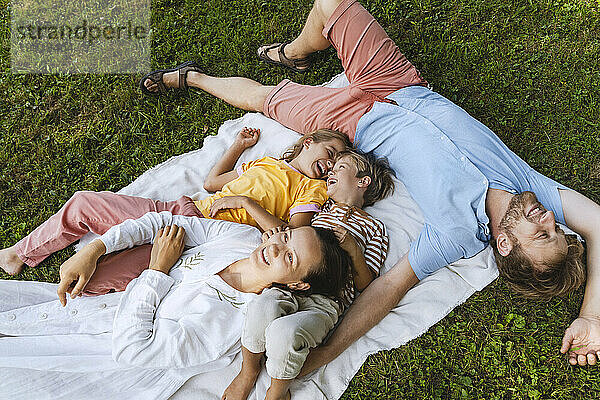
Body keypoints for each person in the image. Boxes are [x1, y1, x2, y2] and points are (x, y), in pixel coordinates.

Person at [139, 0, 600, 367]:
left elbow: (386, 290)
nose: (550, 219)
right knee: (333, 3)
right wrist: (592, 316)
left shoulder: (456, 232)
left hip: (350, 124)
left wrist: (326, 353)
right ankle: (298, 50)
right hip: (398, 83)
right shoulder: (531, 188)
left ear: (503, 243)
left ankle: (194, 76)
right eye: (558, 229)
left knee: (265, 100)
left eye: (542, 233)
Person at [0, 211, 351, 399]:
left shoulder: (236, 322)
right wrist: (95, 250)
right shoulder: (242, 239)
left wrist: (157, 270)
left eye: (288, 257)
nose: (274, 247)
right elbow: (163, 225)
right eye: (285, 237)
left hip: (95, 356)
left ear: (296, 285)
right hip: (98, 307)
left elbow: (132, 351)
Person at [0, 127, 348, 299]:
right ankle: (19, 253)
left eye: (336, 162)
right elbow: (213, 182)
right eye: (330, 151)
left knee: (101, 278)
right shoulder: (268, 162)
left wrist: (247, 204)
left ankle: (51, 299)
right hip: (188, 209)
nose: (330, 163)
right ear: (308, 141)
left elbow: (287, 231)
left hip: (208, 242)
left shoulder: (311, 189)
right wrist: (238, 146)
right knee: (83, 203)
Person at [222, 149, 395, 400]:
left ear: (363, 182)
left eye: (341, 168)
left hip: (328, 300)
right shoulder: (320, 206)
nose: (331, 172)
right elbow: (292, 232)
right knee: (263, 308)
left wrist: (354, 250)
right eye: (332, 168)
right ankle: (248, 370)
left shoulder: (374, 227)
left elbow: (365, 284)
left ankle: (278, 390)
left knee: (287, 333)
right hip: (289, 284)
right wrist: (276, 239)